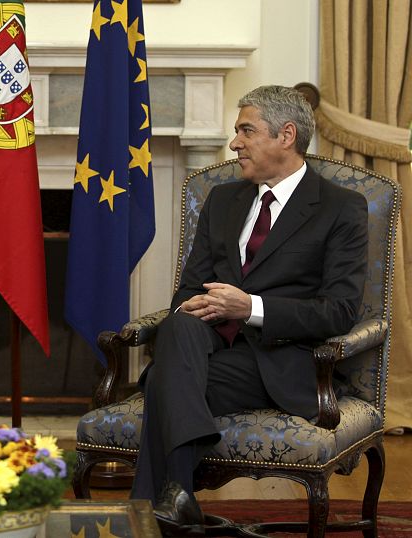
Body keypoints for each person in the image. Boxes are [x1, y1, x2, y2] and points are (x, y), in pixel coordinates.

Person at [130, 85, 368, 535]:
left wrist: (251, 307)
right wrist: (201, 307)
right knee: (181, 322)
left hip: (281, 360)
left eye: (246, 130)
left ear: (286, 136)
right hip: (205, 346)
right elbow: (187, 290)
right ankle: (174, 504)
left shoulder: (340, 208)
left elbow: (339, 312)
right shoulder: (223, 200)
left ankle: (156, 508)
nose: (234, 143)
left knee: (165, 380)